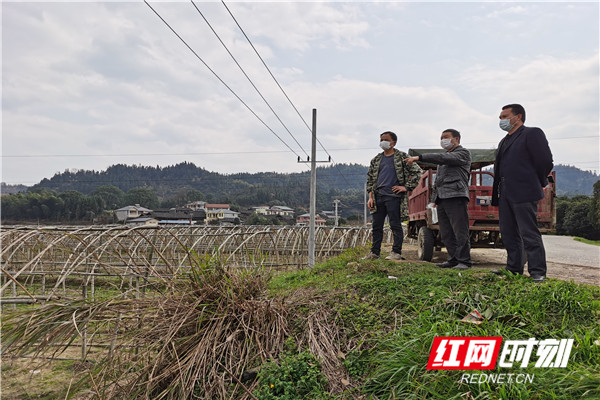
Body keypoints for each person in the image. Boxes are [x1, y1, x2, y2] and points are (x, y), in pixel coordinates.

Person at [491, 104, 553, 283]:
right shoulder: (504, 141)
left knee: (529, 233)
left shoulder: (532, 133)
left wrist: (534, 180)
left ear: (518, 117)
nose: (501, 120)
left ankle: (537, 272)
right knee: (508, 233)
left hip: (524, 191)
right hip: (505, 193)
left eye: (504, 116)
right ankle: (513, 268)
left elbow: (545, 161)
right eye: (500, 117)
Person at [406, 129, 472, 270]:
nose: (443, 140)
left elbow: (442, 158)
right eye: (441, 137)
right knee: (446, 232)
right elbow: (439, 182)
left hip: (456, 196)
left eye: (446, 137)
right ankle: (453, 259)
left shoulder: (463, 153)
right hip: (442, 198)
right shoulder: (444, 159)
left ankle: (464, 261)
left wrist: (419, 158)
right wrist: (434, 200)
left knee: (460, 231)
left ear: (457, 139)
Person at [363, 131, 422, 260]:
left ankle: (396, 252)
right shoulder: (376, 159)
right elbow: (370, 179)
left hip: (394, 197)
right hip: (378, 196)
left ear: (393, 142)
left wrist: (406, 187)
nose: (382, 142)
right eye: (381, 139)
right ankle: (374, 253)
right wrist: (371, 197)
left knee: (395, 225)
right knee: (376, 226)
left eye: (385, 139)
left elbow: (418, 172)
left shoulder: (402, 157)